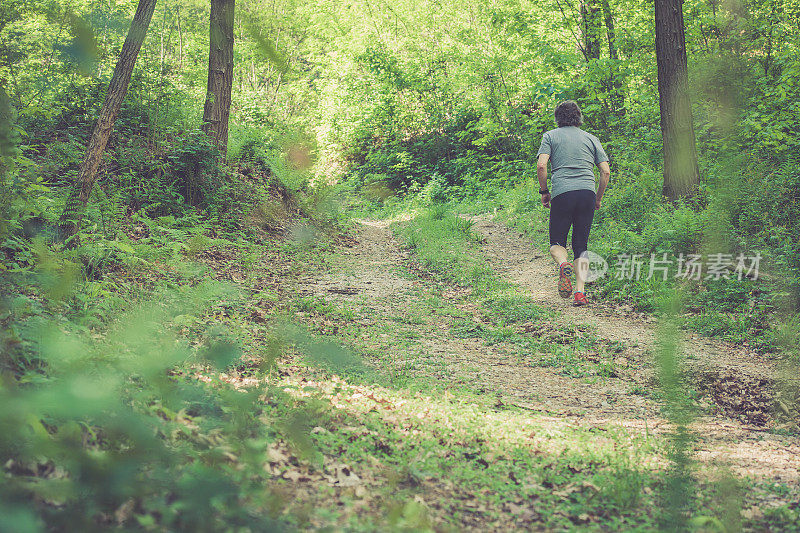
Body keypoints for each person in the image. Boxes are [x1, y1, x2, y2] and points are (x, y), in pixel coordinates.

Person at [536, 100, 610, 306]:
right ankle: (580, 293)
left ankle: (563, 264)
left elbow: (542, 166)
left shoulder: (550, 136)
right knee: (581, 245)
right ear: (578, 117)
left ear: (557, 118)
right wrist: (597, 198)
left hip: (562, 193)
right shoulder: (591, 138)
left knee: (556, 243)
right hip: (587, 193)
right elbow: (605, 172)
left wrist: (544, 192)